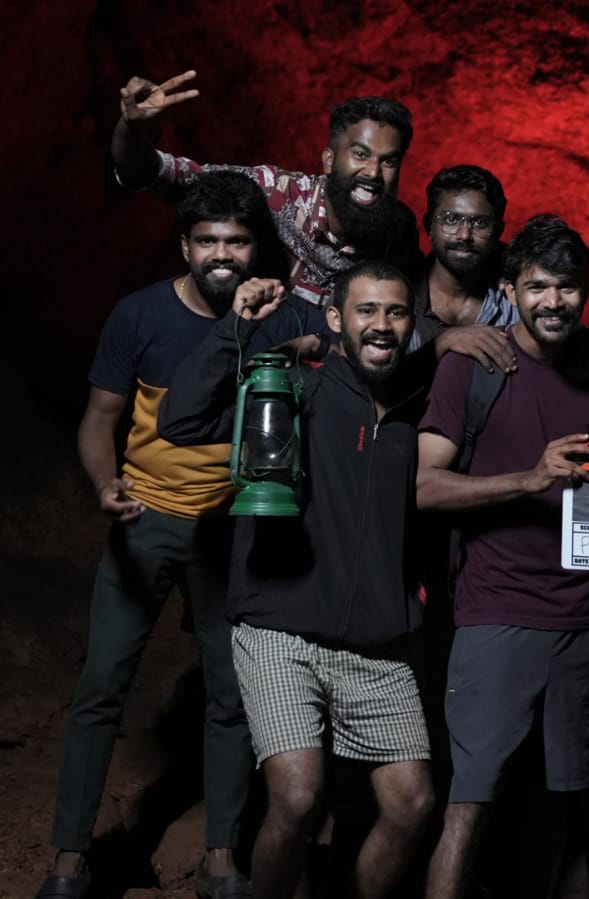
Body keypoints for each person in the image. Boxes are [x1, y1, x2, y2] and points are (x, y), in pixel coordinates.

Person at [34, 171, 314, 899]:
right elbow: (99, 419)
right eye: (208, 240)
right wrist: (105, 485)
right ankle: (69, 858)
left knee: (230, 696)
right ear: (185, 246)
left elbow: (338, 354)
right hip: (147, 516)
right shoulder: (139, 315)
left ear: (256, 248)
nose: (223, 254)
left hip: (234, 529)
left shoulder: (277, 313)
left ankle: (220, 857)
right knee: (102, 686)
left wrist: (307, 333)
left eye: (237, 241)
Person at [158, 262, 435, 899]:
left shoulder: (414, 413)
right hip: (281, 632)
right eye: (366, 311)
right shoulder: (291, 391)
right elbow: (180, 420)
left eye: (395, 312)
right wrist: (234, 329)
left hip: (377, 647)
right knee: (298, 794)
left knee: (412, 803)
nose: (382, 324)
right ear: (335, 319)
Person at [416, 214, 589, 899]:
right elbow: (423, 486)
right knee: (468, 806)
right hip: (495, 614)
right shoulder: (473, 367)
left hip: (583, 622)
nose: (553, 301)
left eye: (567, 287)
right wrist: (529, 479)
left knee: (564, 810)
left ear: (585, 290)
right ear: (510, 289)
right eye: (537, 286)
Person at [112, 70, 420, 306]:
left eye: (389, 161)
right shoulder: (274, 193)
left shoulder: (398, 230)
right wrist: (131, 129)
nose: (373, 172)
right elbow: (161, 175)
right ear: (329, 160)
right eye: (361, 154)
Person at [408, 164, 520, 374]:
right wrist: (442, 344)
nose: (465, 235)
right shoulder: (399, 295)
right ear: (429, 225)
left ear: (498, 231)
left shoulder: (517, 300)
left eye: (479, 223)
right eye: (451, 220)